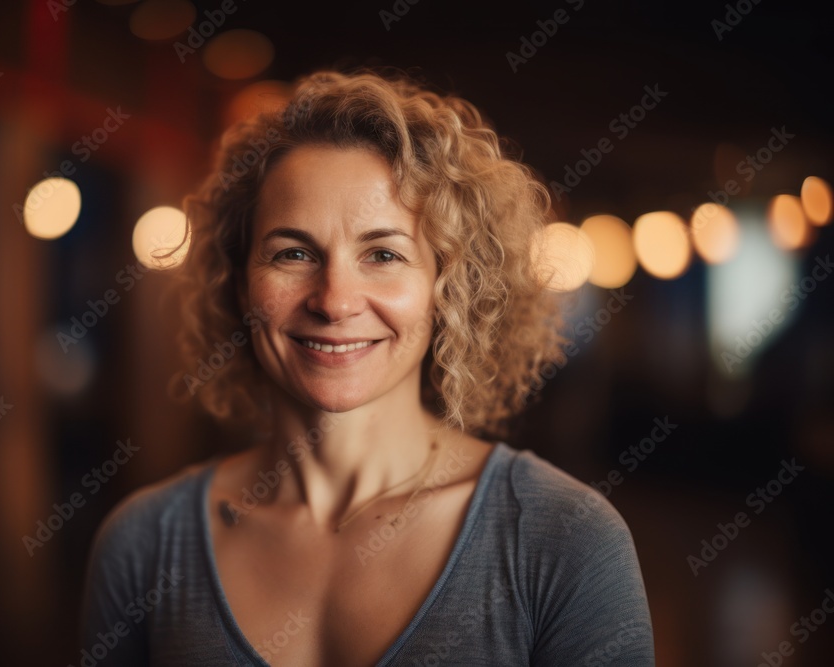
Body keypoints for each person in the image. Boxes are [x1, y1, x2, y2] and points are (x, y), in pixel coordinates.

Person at [80, 67, 655, 666]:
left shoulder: (566, 541)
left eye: (383, 254)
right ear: (237, 282)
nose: (335, 300)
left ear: (450, 288)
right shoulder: (143, 543)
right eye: (293, 253)